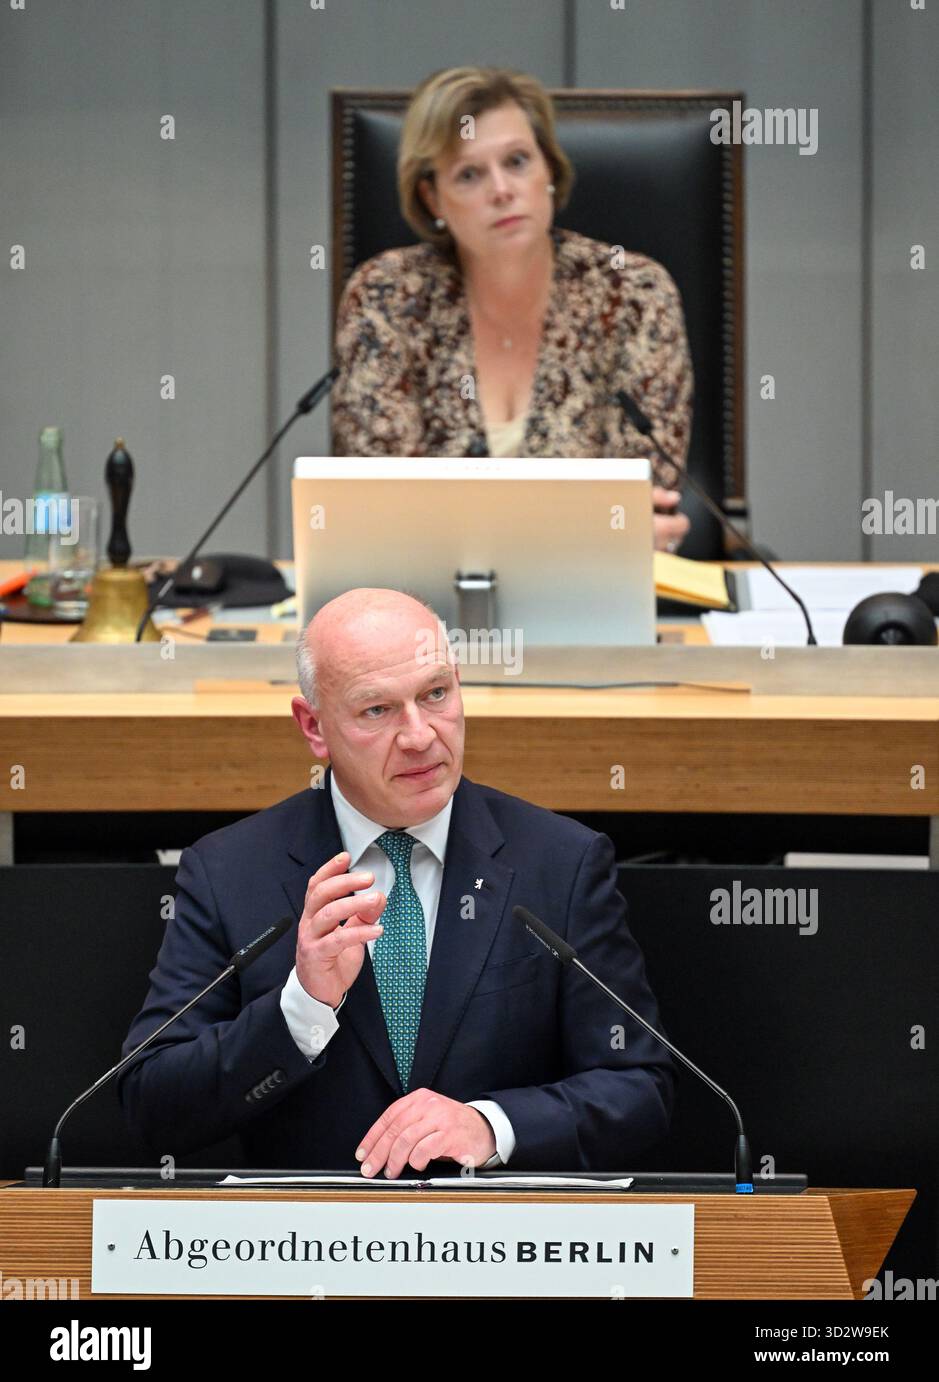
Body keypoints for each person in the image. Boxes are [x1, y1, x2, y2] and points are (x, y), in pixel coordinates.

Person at [119, 589, 675, 1176]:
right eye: (376, 711)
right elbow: (154, 1103)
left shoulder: (561, 863)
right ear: (314, 726)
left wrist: (492, 1125)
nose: (419, 736)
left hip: (500, 1247)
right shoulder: (229, 871)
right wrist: (301, 1007)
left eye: (436, 694)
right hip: (302, 1248)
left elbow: (640, 1087)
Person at [332, 66, 693, 554]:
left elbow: (640, 506)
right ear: (431, 196)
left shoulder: (632, 293)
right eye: (469, 174)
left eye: (518, 161)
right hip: (429, 612)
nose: (501, 190)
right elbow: (382, 511)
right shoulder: (387, 298)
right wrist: (583, 533)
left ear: (549, 168)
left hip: (595, 609)